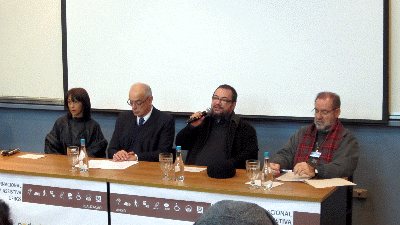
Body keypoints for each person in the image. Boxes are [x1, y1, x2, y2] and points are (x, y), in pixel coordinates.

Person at [270, 92, 360, 179]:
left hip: (329, 190)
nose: (318, 116)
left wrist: (315, 171)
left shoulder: (346, 138)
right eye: (316, 111)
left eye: (324, 112)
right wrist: (278, 164)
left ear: (337, 112)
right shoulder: (303, 132)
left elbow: (342, 167)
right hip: (298, 186)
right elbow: (285, 154)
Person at [175, 84, 259, 169]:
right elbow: (180, 144)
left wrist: (225, 167)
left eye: (224, 100)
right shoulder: (202, 122)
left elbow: (250, 157)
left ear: (233, 105)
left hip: (226, 176)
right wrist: (192, 127)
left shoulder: (244, 128)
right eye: (215, 98)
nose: (218, 102)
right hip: (194, 174)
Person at [107, 83, 175, 162]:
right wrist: (117, 154)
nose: (134, 107)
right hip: (123, 168)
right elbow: (111, 149)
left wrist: (136, 157)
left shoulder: (165, 120)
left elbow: (164, 153)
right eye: (131, 102)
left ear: (150, 100)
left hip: (149, 170)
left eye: (138, 103)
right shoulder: (123, 118)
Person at [45, 88, 108, 158]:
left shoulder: (93, 126)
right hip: (62, 164)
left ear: (84, 103)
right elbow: (51, 146)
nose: (72, 106)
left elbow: (97, 150)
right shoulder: (60, 123)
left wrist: (81, 158)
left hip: (85, 165)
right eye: (69, 102)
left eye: (75, 102)